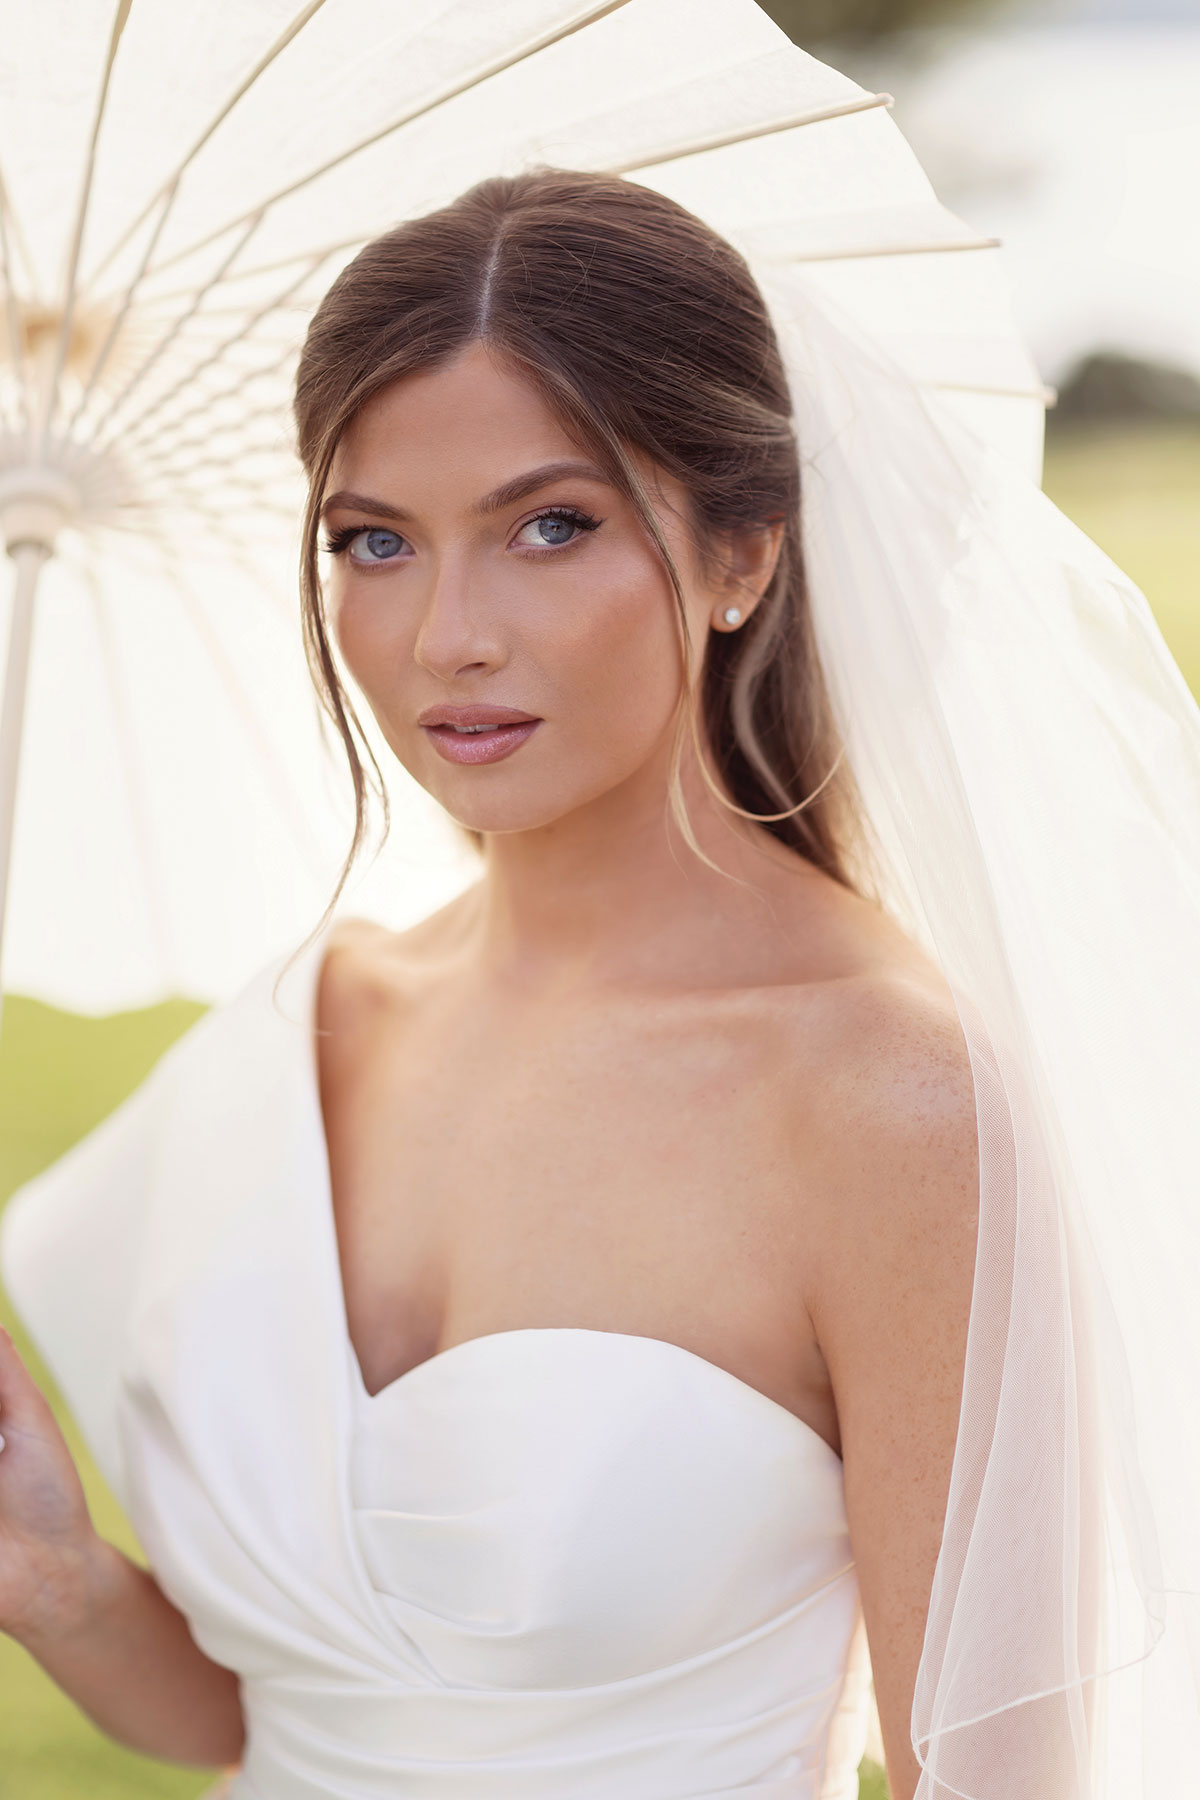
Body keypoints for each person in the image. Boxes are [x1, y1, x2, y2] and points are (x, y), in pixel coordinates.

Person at [1, 159, 1197, 1800]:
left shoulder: (884, 1104)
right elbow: (268, 1719)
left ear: (740, 557)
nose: (446, 637)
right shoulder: (300, 1033)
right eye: (374, 542)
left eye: (548, 527)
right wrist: (57, 1573)